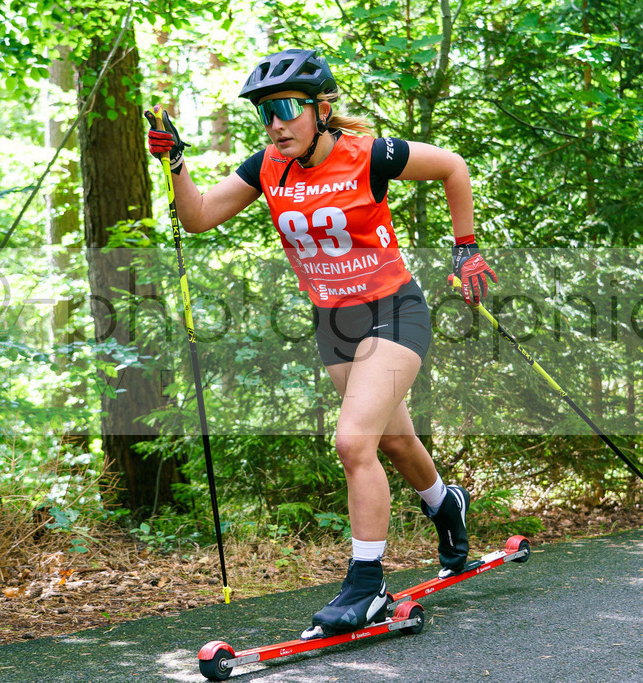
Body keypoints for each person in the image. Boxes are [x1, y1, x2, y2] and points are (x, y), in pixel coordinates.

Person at [145, 48, 497, 639]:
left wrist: (465, 247)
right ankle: (445, 504)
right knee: (392, 440)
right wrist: (177, 163)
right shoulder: (267, 168)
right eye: (266, 113)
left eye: (286, 108)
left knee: (352, 441)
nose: (276, 124)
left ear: (321, 108)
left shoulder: (371, 154)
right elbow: (199, 217)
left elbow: (453, 167)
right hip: (334, 324)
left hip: (394, 311)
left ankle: (367, 585)